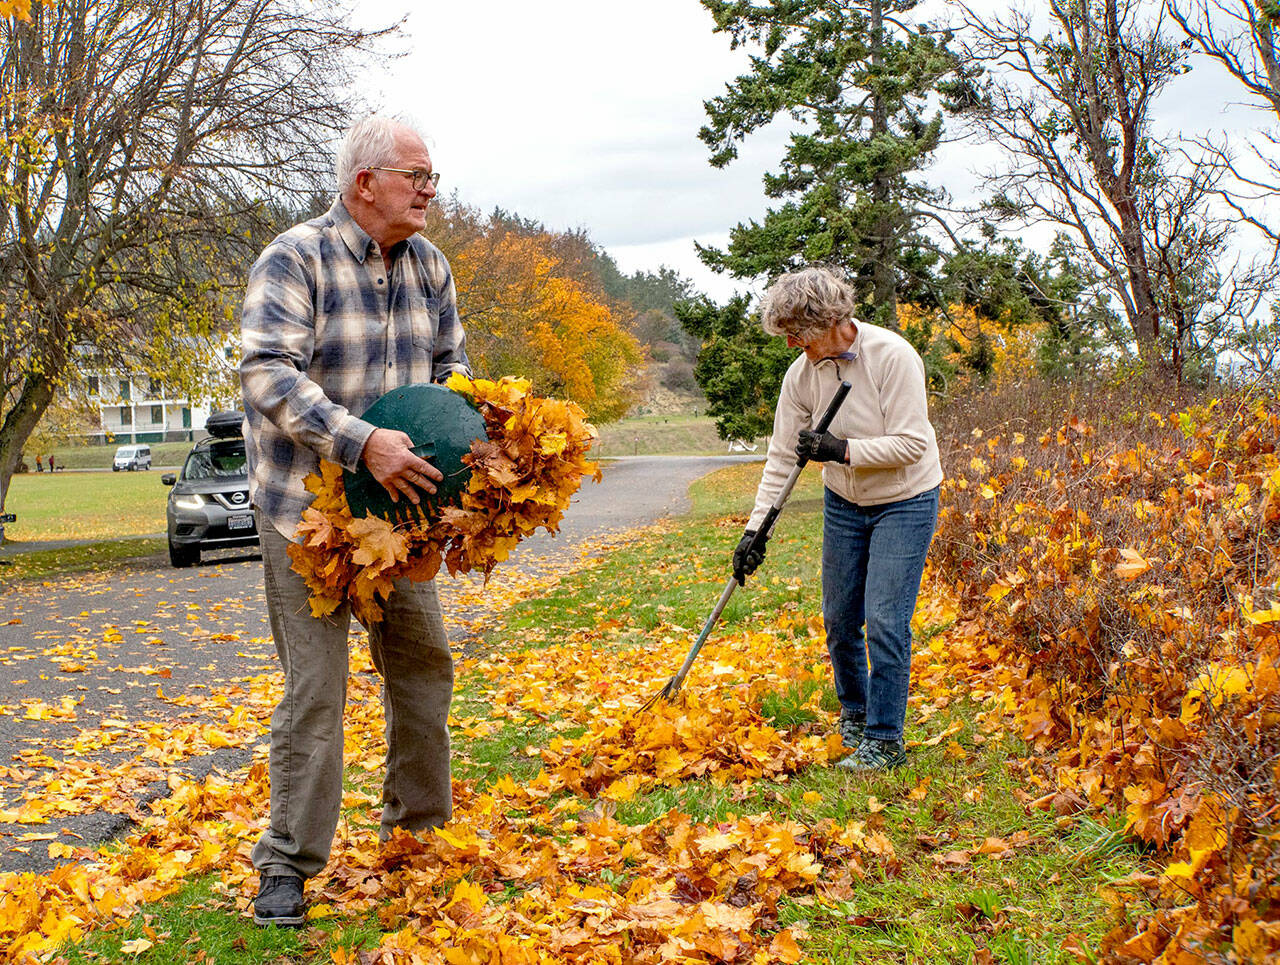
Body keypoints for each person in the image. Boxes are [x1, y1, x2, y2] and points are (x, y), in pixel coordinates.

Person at [239, 116, 470, 926]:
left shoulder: (432, 265)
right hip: (308, 513)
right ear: (364, 182)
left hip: (400, 516)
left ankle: (418, 833)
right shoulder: (295, 256)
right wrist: (360, 440)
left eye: (433, 175)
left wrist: (458, 430)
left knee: (423, 664)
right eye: (418, 173)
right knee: (317, 688)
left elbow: (451, 366)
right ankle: (287, 865)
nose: (430, 189)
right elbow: (266, 370)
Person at [732, 266, 943, 773]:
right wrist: (754, 530)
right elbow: (782, 456)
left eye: (795, 333)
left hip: (905, 500)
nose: (789, 344)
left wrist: (842, 450)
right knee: (840, 618)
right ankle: (856, 711)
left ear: (827, 320)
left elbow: (913, 444)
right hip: (844, 505)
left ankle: (885, 739)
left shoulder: (892, 357)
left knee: (887, 621)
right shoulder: (802, 375)